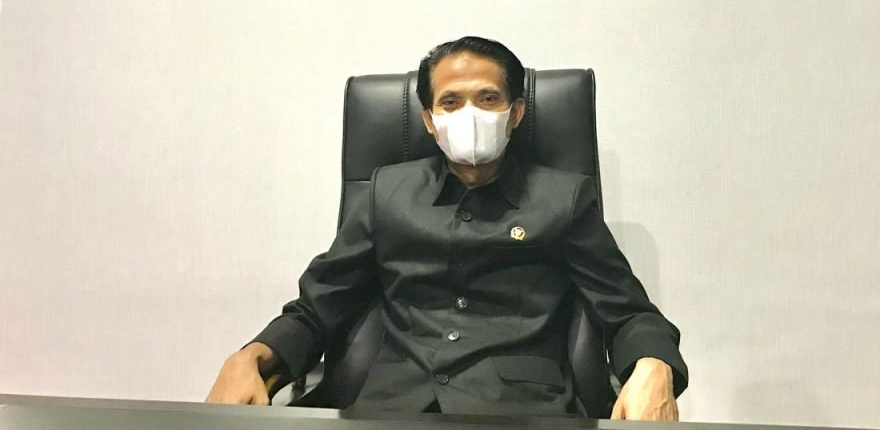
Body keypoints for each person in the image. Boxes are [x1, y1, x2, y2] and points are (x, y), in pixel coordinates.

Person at [206, 36, 687, 420]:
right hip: (391, 410)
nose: (469, 114)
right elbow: (318, 306)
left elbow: (628, 311)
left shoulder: (564, 198)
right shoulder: (386, 193)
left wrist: (654, 364)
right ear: (430, 121)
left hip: (521, 411)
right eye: (451, 102)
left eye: (488, 98)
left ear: (516, 113)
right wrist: (252, 356)